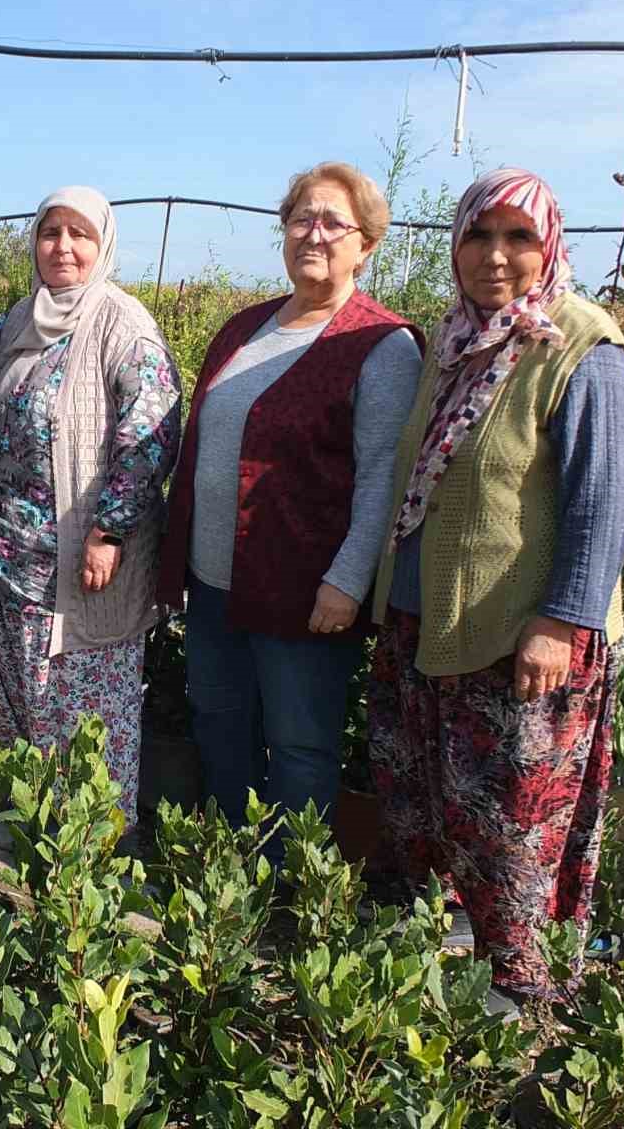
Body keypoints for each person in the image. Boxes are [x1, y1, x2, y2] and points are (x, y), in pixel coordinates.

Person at [368, 167, 624, 1004]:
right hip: (422, 621)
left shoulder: (581, 346)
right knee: (422, 811)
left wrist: (562, 619)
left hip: (521, 639)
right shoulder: (455, 342)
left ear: (549, 245)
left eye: (518, 238)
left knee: (513, 829)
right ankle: (431, 986)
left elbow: (605, 495)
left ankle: (521, 996)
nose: (495, 256)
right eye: (477, 236)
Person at [157, 162, 421, 852]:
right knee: (220, 726)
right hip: (216, 582)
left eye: (334, 221)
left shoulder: (380, 344)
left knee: (299, 746)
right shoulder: (245, 327)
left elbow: (382, 480)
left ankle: (286, 894)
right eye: (302, 216)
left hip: (306, 592)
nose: (315, 232)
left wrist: (347, 582)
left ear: (367, 244)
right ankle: (226, 880)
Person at [0, 187, 181, 824]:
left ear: (103, 245)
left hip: (84, 569)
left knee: (83, 711)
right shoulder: (20, 321)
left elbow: (154, 432)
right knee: (12, 703)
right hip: (10, 566)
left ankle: (90, 850)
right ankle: (15, 834)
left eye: (78, 234)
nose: (62, 247)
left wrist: (109, 530)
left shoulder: (122, 323)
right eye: (50, 232)